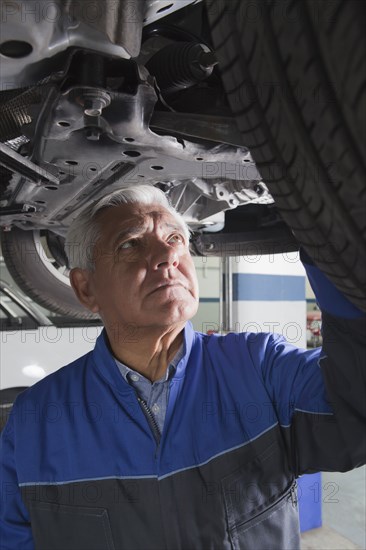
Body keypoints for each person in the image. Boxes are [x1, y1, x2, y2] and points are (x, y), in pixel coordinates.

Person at [0, 185, 365, 550]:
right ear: (85, 288)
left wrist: (336, 241)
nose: (166, 255)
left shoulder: (258, 366)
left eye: (174, 237)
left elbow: (355, 413)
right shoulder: (35, 420)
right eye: (130, 244)